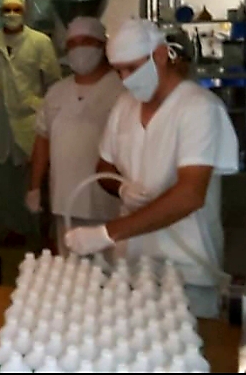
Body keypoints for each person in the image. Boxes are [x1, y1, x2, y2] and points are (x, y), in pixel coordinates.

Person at [65, 19, 238, 318]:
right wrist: (121, 188)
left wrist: (107, 233)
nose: (125, 79)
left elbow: (190, 195)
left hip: (187, 268)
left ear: (159, 55)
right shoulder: (124, 106)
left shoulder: (198, 108)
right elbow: (104, 165)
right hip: (132, 263)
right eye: (118, 71)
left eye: (132, 68)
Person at [27, 17, 123, 255]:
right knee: (71, 269)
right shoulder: (56, 92)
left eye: (87, 42)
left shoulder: (122, 90)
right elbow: (43, 139)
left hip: (110, 204)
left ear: (103, 46)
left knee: (112, 270)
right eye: (72, 44)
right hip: (65, 201)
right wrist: (35, 186)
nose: (79, 49)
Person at [0, 0, 62, 245]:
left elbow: (54, 81)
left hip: (30, 121)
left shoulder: (40, 42)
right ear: (0, 13)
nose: (11, 14)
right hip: (0, 121)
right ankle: (14, 229)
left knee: (36, 180)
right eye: (7, 9)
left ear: (25, 13)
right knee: (5, 182)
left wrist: (39, 105)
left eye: (16, 9)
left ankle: (42, 232)